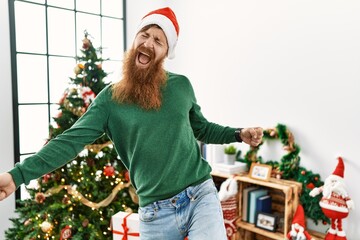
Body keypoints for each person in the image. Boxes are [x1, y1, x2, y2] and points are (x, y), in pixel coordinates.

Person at [0, 7, 263, 240]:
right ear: (135, 40)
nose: (149, 43)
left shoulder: (181, 86)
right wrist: (17, 176)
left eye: (159, 40)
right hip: (155, 212)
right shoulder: (109, 100)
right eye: (145, 35)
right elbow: (68, 142)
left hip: (200, 195)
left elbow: (202, 129)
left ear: (166, 52)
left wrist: (239, 134)